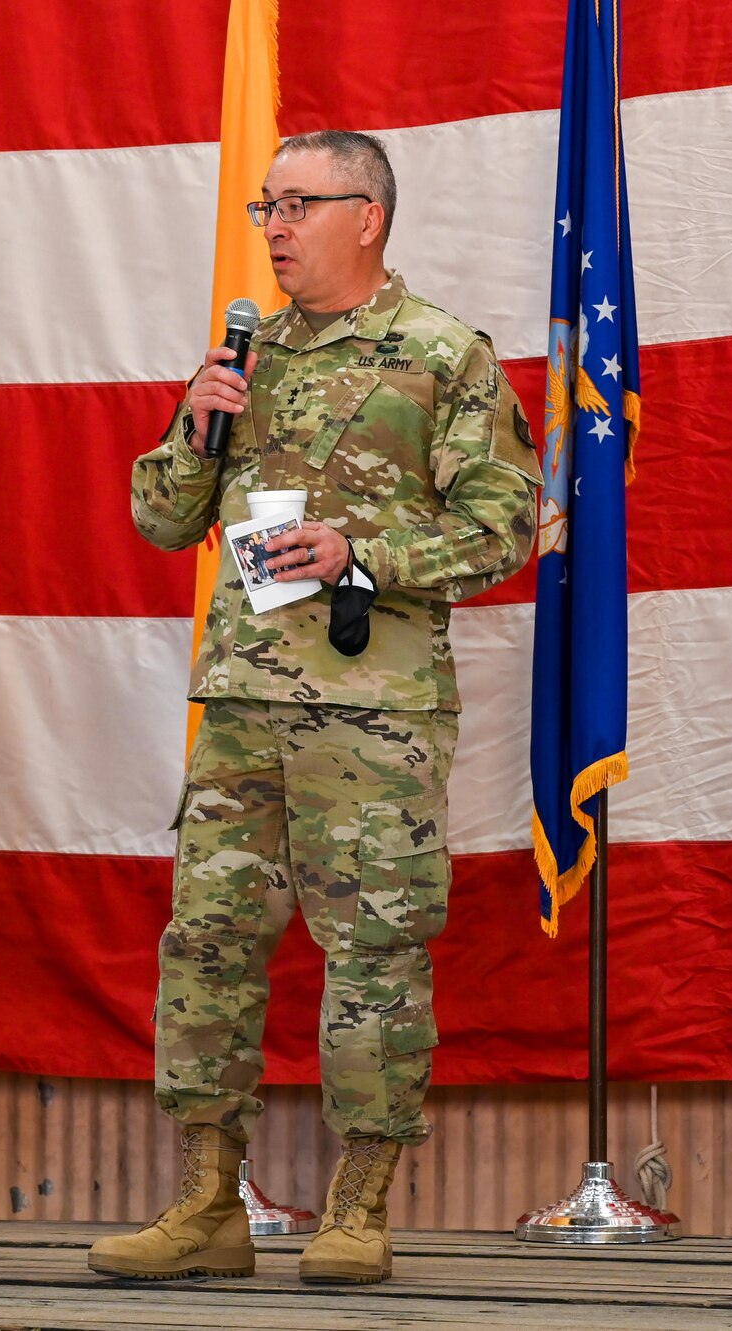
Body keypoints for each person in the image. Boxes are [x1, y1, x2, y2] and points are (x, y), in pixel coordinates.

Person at [89, 130, 539, 1285]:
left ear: (366, 216)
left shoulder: (442, 354)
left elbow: (503, 528)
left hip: (371, 713)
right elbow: (160, 518)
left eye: (296, 205)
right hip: (242, 699)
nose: (274, 228)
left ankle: (358, 1207)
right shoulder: (248, 357)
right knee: (206, 947)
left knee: (374, 955)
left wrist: (361, 549)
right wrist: (195, 424)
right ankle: (206, 1203)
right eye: (265, 206)